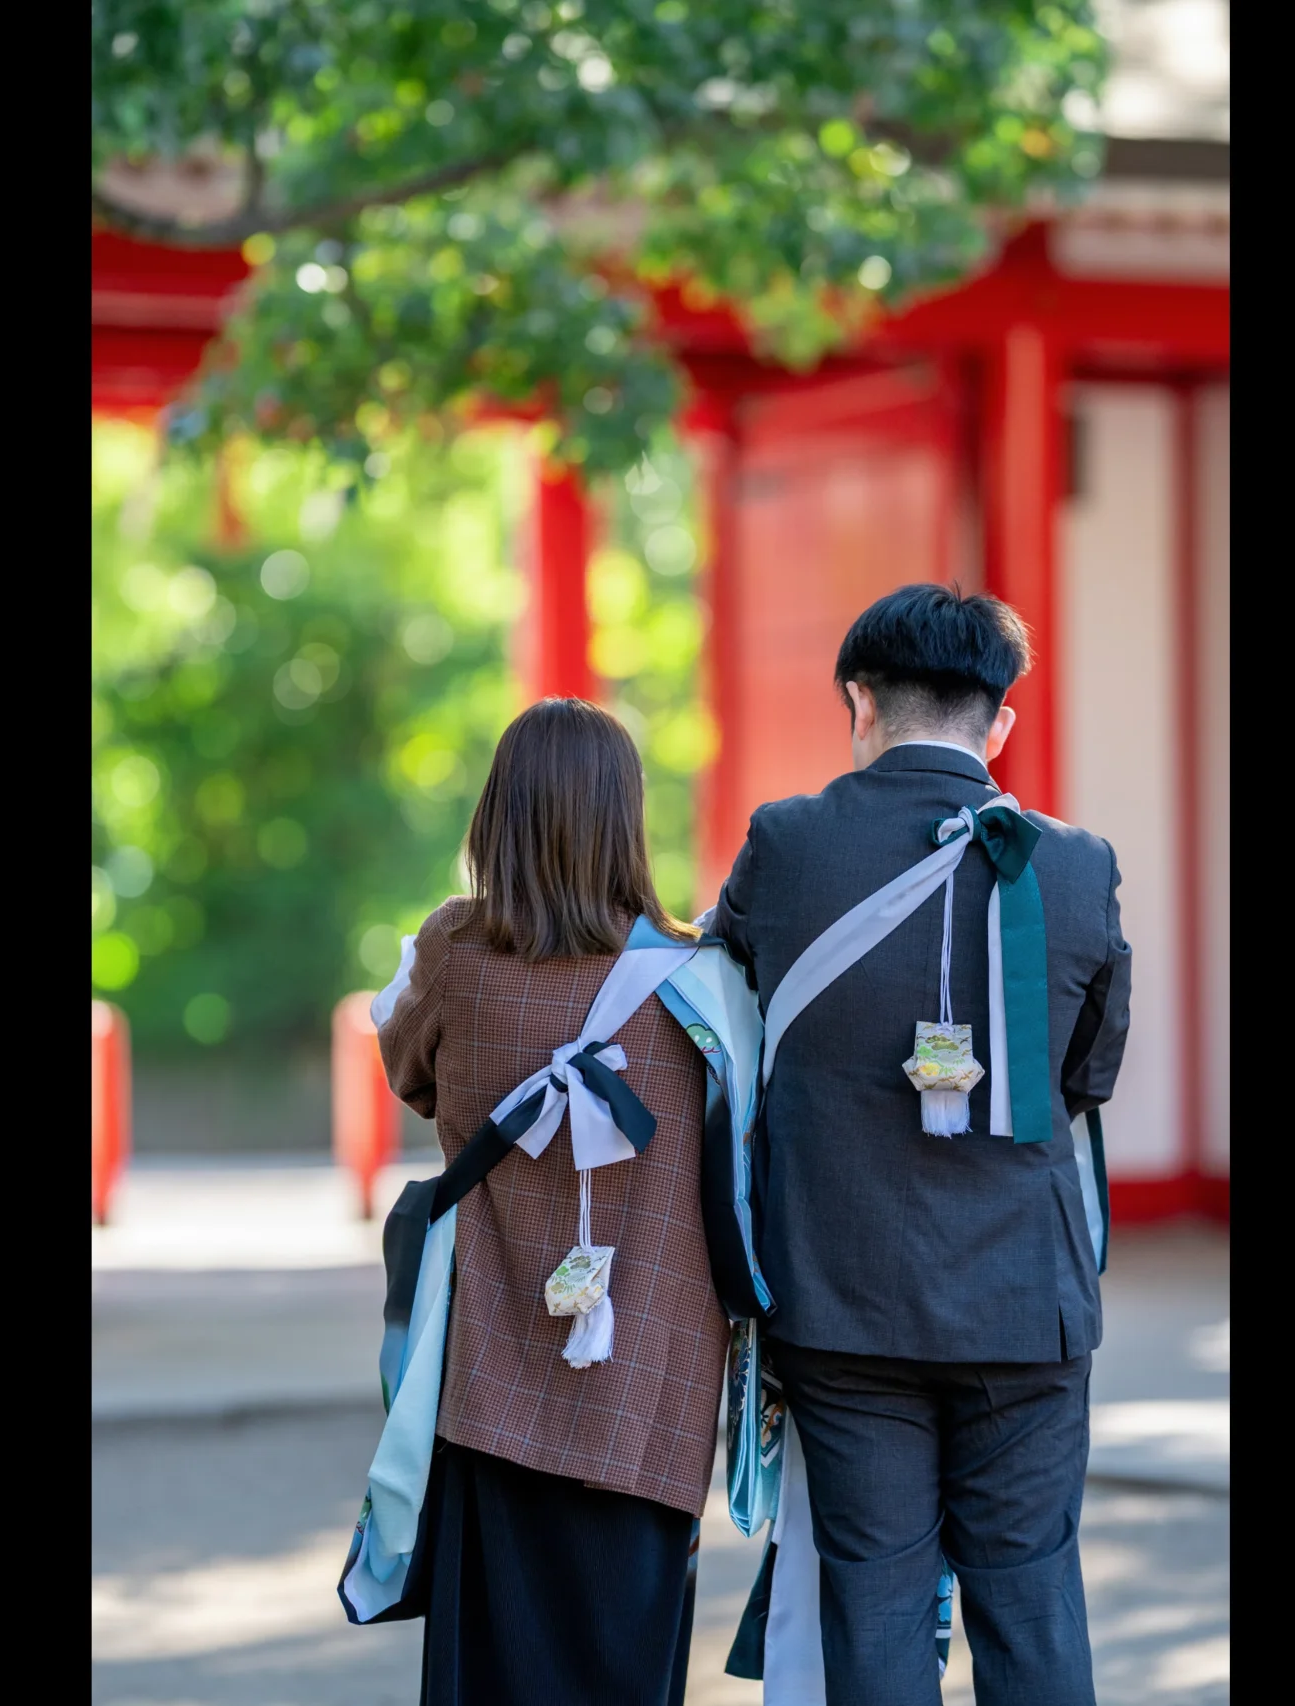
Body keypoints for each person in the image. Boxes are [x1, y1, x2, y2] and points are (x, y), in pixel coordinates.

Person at [711, 584, 1131, 1706]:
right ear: (1000, 722)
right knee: (1031, 1600)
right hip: (1024, 1302)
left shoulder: (785, 845)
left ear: (860, 701)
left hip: (844, 1299)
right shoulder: (1079, 865)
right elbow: (1086, 1079)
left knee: (875, 1603)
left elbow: (725, 1015)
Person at [375, 697, 728, 1706]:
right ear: (626, 817)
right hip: (651, 1387)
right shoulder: (696, 977)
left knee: (495, 1668)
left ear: (499, 814)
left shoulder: (455, 952)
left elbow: (409, 1070)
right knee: (627, 1667)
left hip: (493, 1380)